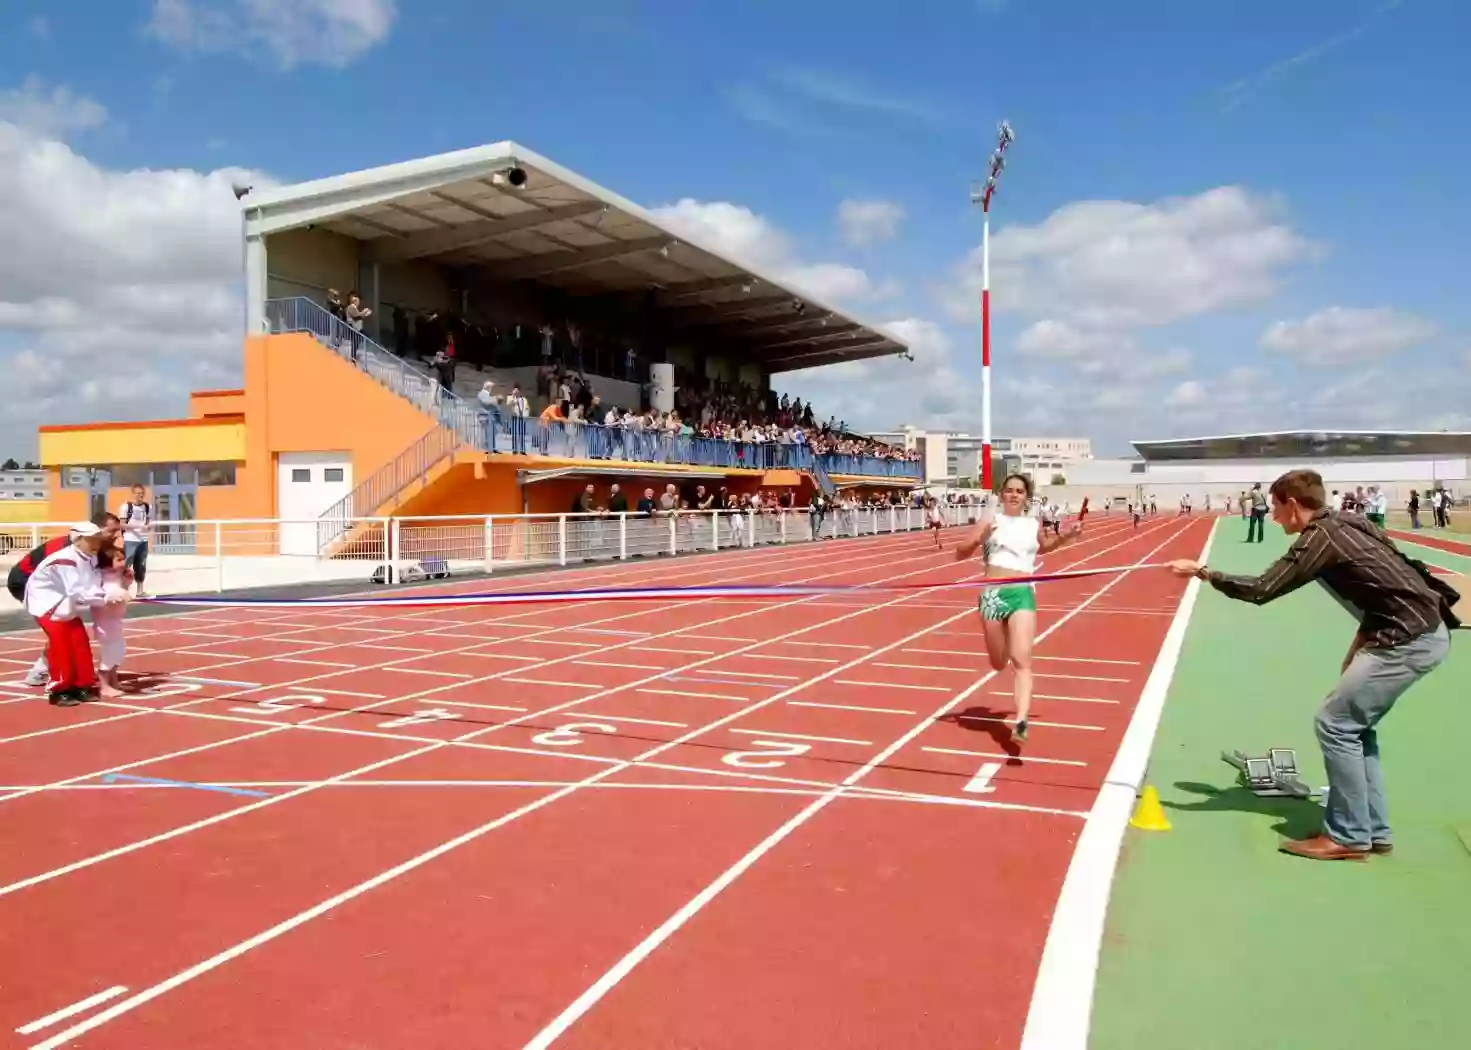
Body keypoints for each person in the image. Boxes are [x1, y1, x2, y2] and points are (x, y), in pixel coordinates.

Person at [1169, 469, 1454, 861]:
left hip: (1408, 639)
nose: (1272, 517)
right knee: (1354, 727)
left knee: (1335, 724)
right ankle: (1371, 829)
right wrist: (1359, 646)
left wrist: (1203, 572)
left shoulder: (1320, 538)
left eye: (1275, 508)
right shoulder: (1348, 521)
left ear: (1292, 503)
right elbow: (1384, 586)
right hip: (1414, 632)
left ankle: (1350, 836)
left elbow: (1261, 589)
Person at [955, 473, 1082, 745]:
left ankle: (1021, 721)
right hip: (992, 596)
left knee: (1021, 660)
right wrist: (979, 539)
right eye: (1009, 490)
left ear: (1026, 497)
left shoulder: (1032, 524)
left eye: (1020, 491)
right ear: (1002, 494)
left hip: (1022, 593)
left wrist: (1067, 537)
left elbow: (1044, 548)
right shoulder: (990, 521)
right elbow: (960, 552)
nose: (1014, 495)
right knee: (998, 663)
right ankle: (1003, 652)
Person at [11, 513, 121, 687]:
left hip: (59, 586)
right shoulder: (67, 551)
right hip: (27, 580)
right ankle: (43, 671)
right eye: (112, 531)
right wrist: (106, 597)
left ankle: (74, 676)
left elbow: (95, 576)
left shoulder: (92, 549)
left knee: (71, 628)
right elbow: (75, 587)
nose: (116, 536)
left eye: (118, 531)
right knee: (58, 628)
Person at [93, 544, 134, 697]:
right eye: (119, 559)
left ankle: (114, 681)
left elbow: (123, 588)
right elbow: (106, 593)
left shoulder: (117, 576)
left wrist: (127, 581)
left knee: (118, 650)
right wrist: (119, 594)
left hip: (115, 621)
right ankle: (104, 685)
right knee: (110, 652)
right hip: (105, 624)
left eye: (123, 559)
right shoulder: (102, 577)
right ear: (106, 562)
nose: (123, 563)